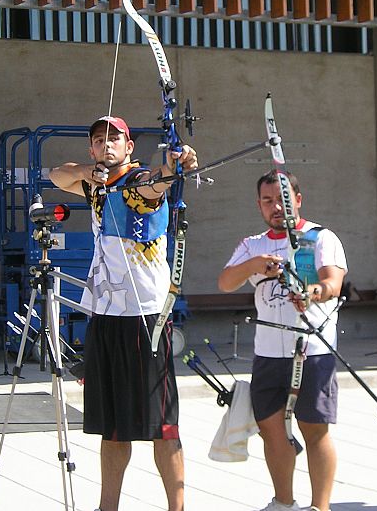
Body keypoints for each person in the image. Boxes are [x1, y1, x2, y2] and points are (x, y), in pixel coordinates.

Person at [50, 115, 198, 511]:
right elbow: (55, 176)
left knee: (163, 426)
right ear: (92, 150)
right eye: (99, 140)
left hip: (146, 318)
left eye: (114, 139)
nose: (107, 145)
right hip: (106, 316)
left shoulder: (138, 180)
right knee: (112, 427)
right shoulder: (93, 183)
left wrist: (172, 164)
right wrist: (89, 173)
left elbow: (154, 186)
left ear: (129, 147)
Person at [218, 169, 347, 511]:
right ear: (259, 205)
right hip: (269, 352)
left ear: (298, 200)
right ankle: (283, 502)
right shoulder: (253, 245)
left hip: (312, 349)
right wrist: (256, 264)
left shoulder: (320, 237)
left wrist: (313, 292)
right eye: (268, 200)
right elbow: (226, 282)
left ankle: (321, 506)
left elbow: (333, 283)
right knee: (271, 429)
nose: (277, 206)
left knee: (313, 428)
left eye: (283, 199)